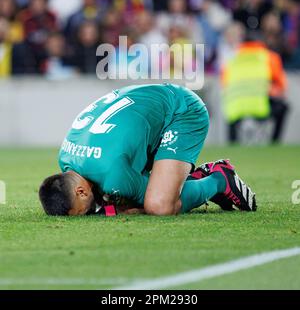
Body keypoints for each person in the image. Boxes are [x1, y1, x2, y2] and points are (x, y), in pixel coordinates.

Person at [39, 83, 256, 216]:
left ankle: (219, 179)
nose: (91, 211)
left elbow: (138, 202)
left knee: (159, 204)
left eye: (85, 210)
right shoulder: (66, 157)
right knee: (126, 194)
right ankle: (194, 178)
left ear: (80, 191)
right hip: (148, 104)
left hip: (182, 111)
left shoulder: (113, 177)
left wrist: (130, 207)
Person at [222, 33, 289, 143]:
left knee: (230, 109)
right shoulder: (270, 57)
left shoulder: (232, 59)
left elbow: (224, 84)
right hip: (261, 107)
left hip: (237, 109)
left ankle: (232, 143)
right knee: (284, 107)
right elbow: (281, 86)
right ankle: (275, 142)